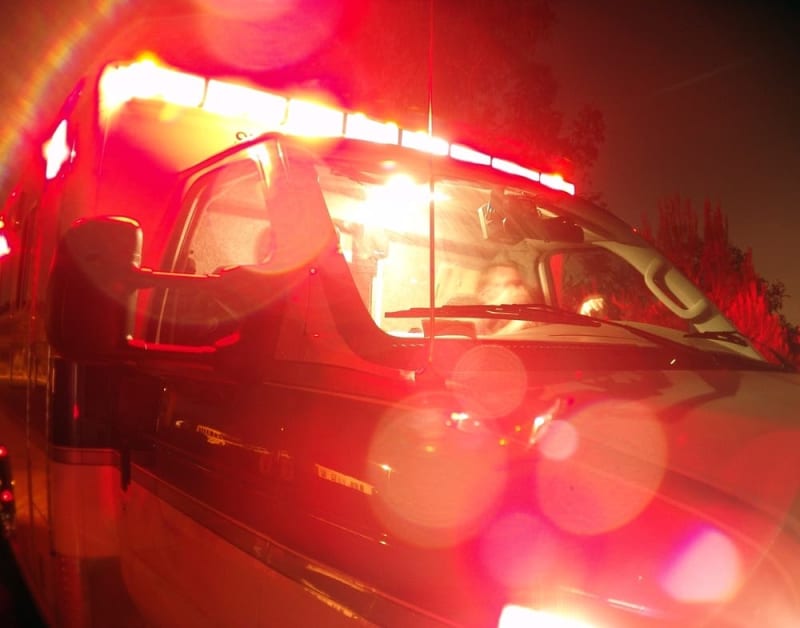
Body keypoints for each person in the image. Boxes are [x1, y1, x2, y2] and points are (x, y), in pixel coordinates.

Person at [476, 260, 542, 334]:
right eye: (510, 285)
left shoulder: (538, 316)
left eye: (519, 284)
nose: (521, 290)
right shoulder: (473, 320)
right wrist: (517, 326)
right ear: (485, 294)